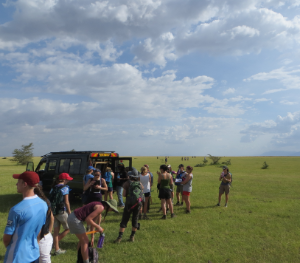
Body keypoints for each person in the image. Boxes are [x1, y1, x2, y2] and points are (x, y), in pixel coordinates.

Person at [3, 171, 48, 263]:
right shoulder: (43, 204)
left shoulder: (16, 209)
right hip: (34, 253)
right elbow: (39, 230)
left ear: (25, 184)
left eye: (18, 181)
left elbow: (6, 238)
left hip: (17, 256)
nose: (16, 184)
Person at [114, 168, 143, 243]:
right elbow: (141, 194)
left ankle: (119, 237)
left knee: (125, 219)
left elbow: (123, 195)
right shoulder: (139, 184)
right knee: (135, 219)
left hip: (129, 204)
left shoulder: (127, 183)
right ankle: (132, 237)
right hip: (137, 204)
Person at [49, 173, 73, 256]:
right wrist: (70, 213)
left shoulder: (53, 188)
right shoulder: (65, 188)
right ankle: (53, 243)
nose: (68, 181)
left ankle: (57, 249)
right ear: (64, 180)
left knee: (56, 232)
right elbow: (66, 202)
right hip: (61, 212)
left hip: (53, 212)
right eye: (68, 179)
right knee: (69, 228)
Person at [34, 185, 54, 263]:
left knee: (43, 259)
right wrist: (49, 232)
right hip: (46, 235)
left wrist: (38, 239)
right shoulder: (46, 201)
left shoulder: (37, 203)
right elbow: (52, 217)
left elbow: (38, 222)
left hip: (41, 237)